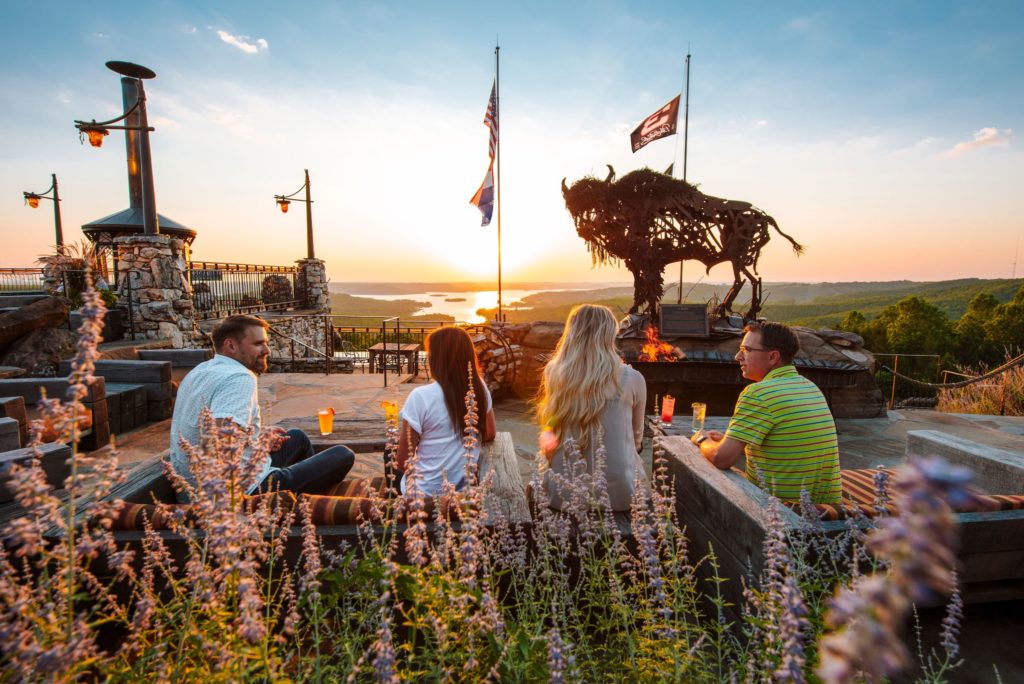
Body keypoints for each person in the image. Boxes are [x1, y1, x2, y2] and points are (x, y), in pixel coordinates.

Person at [170, 314, 355, 502]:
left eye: (266, 343)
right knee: (342, 455)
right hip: (241, 492)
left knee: (297, 438)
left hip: (193, 490)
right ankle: (301, 508)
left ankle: (302, 500)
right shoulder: (239, 378)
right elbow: (220, 445)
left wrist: (256, 438)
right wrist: (259, 445)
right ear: (231, 346)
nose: (267, 350)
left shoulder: (199, 371)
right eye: (258, 344)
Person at [692, 321, 842, 505]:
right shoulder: (809, 387)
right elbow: (790, 447)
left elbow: (720, 458)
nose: (737, 356)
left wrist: (701, 438)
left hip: (783, 514)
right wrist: (739, 442)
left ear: (772, 357)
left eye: (747, 349)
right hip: (829, 512)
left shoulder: (758, 393)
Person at [537, 304, 646, 511]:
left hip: (562, 494)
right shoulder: (632, 378)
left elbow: (550, 428)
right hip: (620, 494)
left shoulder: (553, 372)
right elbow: (636, 436)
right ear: (608, 336)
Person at [394, 326, 496, 496]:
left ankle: (390, 506)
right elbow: (490, 433)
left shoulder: (420, 396)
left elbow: (402, 462)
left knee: (388, 457)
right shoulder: (479, 387)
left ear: (437, 359)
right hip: (461, 491)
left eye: (429, 354)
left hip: (423, 495)